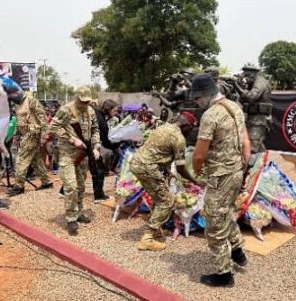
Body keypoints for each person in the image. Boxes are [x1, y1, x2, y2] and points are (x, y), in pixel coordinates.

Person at [191, 73, 251, 287]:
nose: (196, 103)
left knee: (214, 223)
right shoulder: (234, 107)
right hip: (235, 171)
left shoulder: (211, 115)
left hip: (219, 175)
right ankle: (237, 251)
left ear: (206, 95)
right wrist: (243, 169)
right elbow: (246, 140)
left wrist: (195, 174)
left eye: (197, 99)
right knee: (225, 212)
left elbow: (199, 155)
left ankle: (224, 274)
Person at [130, 111, 199, 251]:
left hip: (137, 163)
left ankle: (156, 230)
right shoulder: (179, 139)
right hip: (148, 168)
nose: (190, 132)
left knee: (158, 198)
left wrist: (168, 172)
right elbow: (181, 168)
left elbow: (157, 152)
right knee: (167, 201)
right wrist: (195, 181)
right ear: (185, 126)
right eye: (191, 128)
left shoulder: (163, 127)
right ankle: (147, 238)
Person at [47, 86, 101, 235]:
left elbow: (95, 129)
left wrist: (96, 146)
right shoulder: (66, 110)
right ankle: (71, 218)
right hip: (67, 154)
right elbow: (52, 128)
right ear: (76, 98)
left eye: (87, 101)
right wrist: (71, 139)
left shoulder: (90, 111)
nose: (85, 104)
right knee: (71, 186)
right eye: (82, 101)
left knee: (81, 186)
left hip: (83, 155)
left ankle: (78, 212)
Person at [5, 83, 53, 196]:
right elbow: (19, 121)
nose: (11, 100)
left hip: (33, 133)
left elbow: (43, 119)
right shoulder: (18, 105)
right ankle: (47, 182)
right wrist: (16, 137)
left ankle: (18, 186)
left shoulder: (31, 101)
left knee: (21, 159)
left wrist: (45, 135)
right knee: (35, 160)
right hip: (25, 133)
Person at [233, 63, 273, 153]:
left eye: (246, 75)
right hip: (252, 118)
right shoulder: (252, 83)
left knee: (252, 147)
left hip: (258, 120)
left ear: (252, 74)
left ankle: (255, 165)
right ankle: (262, 164)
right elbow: (243, 100)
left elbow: (251, 97)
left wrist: (236, 86)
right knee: (255, 145)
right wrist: (241, 86)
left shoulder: (260, 83)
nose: (244, 78)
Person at [90, 98, 121, 201]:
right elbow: (106, 142)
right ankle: (99, 196)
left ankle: (64, 191)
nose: (116, 113)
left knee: (79, 169)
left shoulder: (95, 111)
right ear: (109, 109)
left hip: (84, 143)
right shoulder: (102, 122)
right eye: (115, 110)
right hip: (91, 146)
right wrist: (120, 142)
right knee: (99, 170)